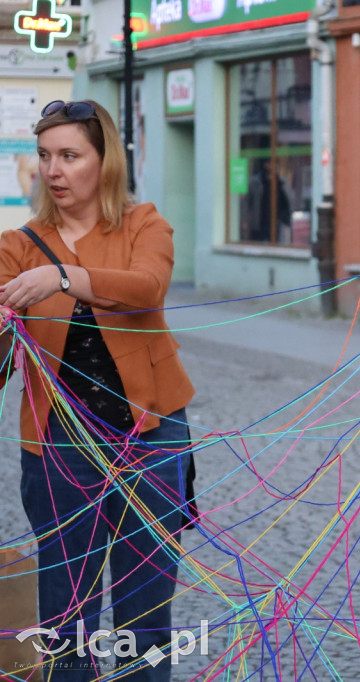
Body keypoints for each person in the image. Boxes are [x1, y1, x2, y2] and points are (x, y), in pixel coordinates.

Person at [0, 99, 195, 681]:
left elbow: (146, 287)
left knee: (147, 604)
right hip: (59, 445)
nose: (52, 171)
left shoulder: (143, 224)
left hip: (151, 433)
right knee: (65, 609)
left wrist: (62, 278)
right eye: (43, 157)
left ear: (104, 161)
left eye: (69, 155)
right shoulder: (17, 246)